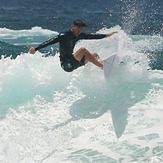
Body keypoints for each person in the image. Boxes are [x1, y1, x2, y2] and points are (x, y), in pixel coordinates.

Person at [30, 19, 118, 72]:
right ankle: (102, 67)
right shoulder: (63, 36)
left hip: (74, 62)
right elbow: (49, 42)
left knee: (94, 55)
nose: (80, 32)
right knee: (83, 50)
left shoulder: (79, 35)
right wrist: (36, 49)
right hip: (66, 65)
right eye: (78, 29)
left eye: (81, 30)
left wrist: (106, 35)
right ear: (73, 26)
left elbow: (92, 36)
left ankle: (103, 70)